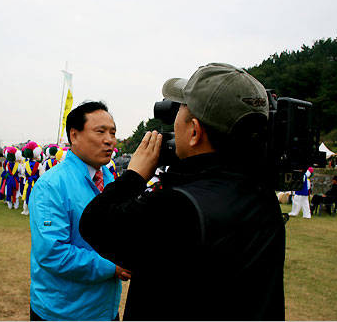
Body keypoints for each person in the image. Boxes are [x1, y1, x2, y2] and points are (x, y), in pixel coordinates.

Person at [79, 63, 285, 320]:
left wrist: (134, 176)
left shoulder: (179, 206)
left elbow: (94, 223)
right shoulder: (262, 193)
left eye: (180, 110)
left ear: (195, 131)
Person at [28, 101, 130, 321]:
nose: (109, 140)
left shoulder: (110, 179)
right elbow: (53, 252)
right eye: (100, 131)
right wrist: (112, 267)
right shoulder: (51, 185)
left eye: (113, 132)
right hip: (64, 312)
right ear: (74, 136)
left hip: (105, 308)